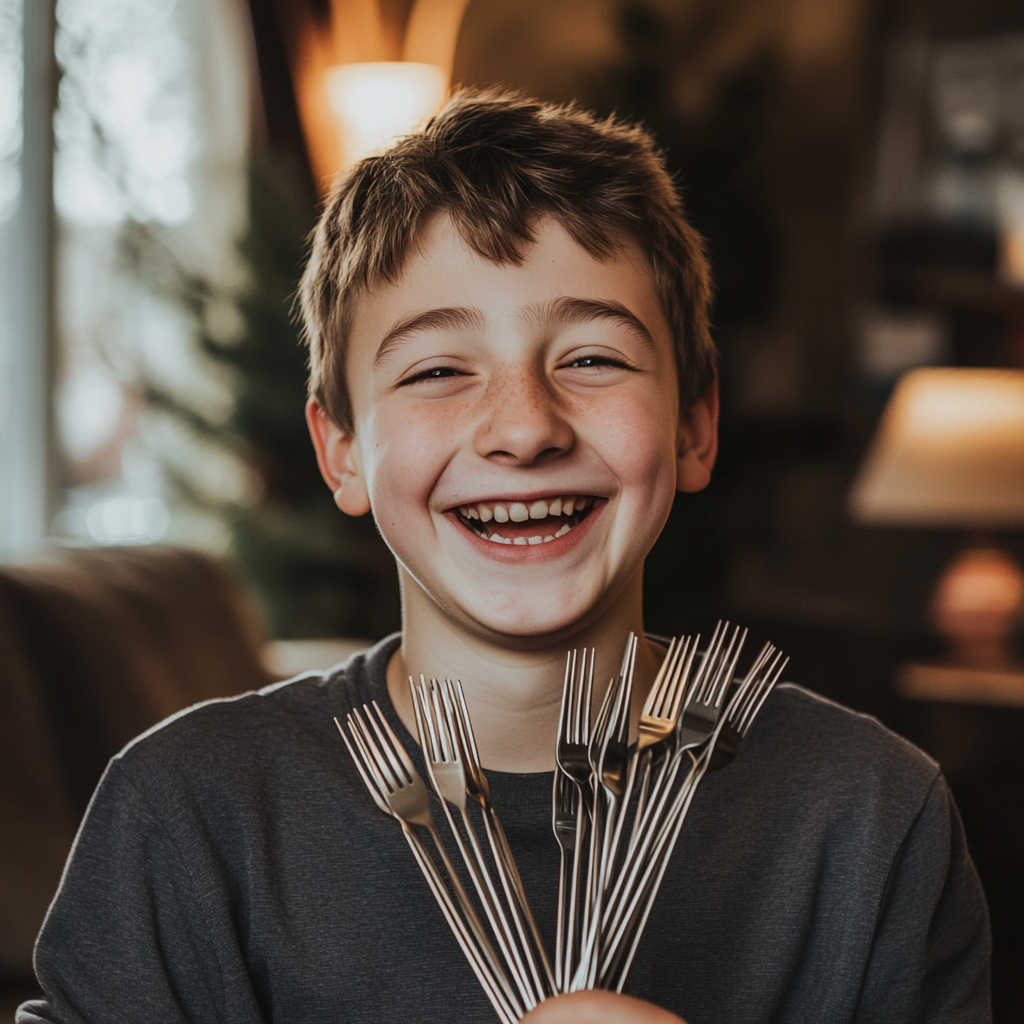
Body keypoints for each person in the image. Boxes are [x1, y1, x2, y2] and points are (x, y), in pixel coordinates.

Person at [19, 90, 990, 1024]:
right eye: (437, 370)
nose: (524, 429)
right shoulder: (190, 813)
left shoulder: (869, 816)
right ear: (340, 450)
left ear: (695, 427)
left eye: (592, 358)